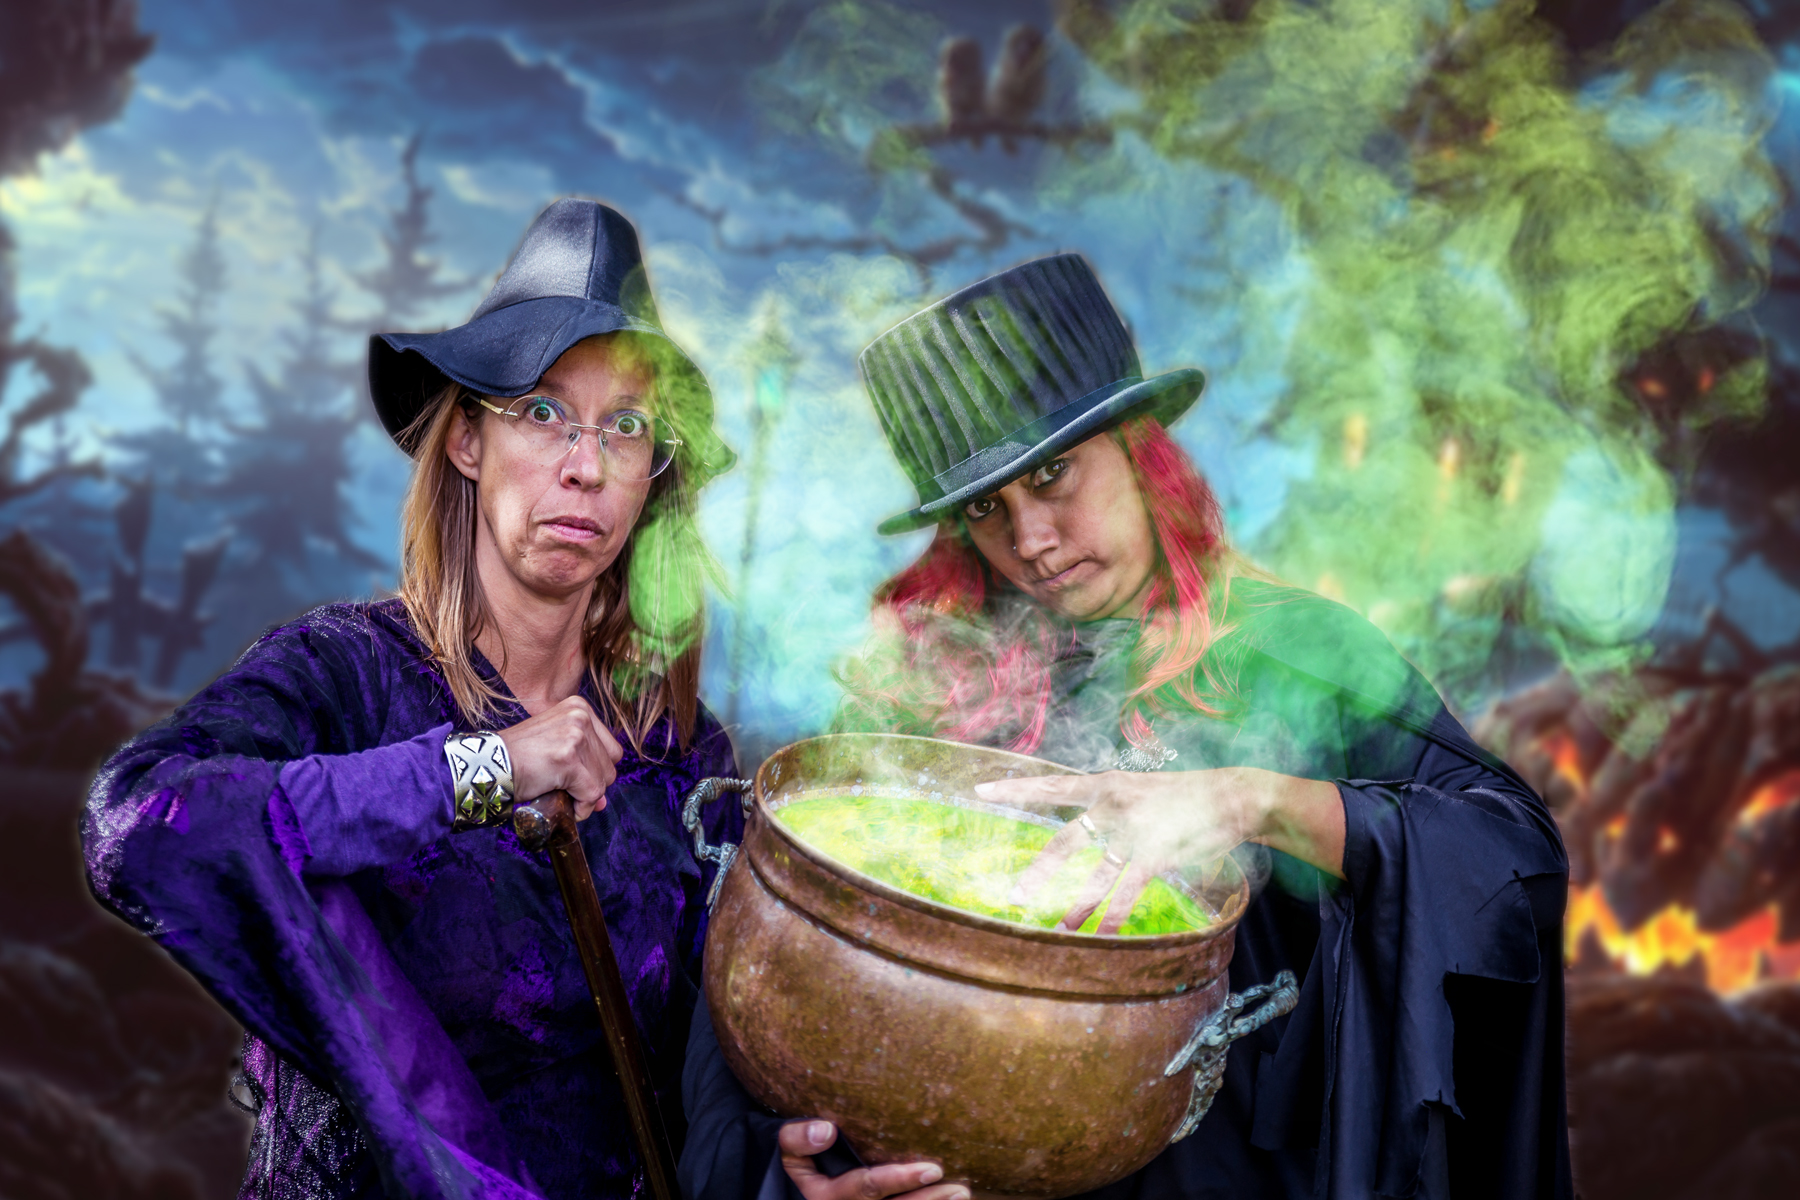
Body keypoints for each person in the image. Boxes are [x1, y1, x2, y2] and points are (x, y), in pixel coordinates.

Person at [679, 255, 1571, 1200]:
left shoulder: (1293, 654)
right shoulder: (921, 692)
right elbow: (773, 973)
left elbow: (1513, 866)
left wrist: (1247, 802)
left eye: (1053, 473)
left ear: (1141, 453)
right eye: (986, 507)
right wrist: (802, 1166)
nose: (1030, 540)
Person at [83, 199, 742, 1198]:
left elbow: (724, 1056)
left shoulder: (680, 751)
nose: (587, 466)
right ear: (468, 440)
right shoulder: (343, 675)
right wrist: (484, 769)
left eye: (627, 425)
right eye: (544, 412)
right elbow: (140, 823)